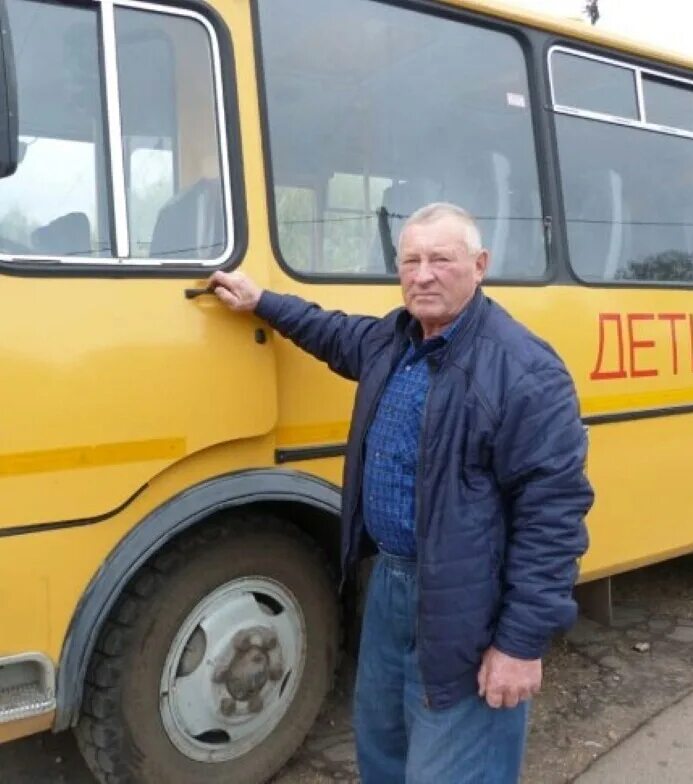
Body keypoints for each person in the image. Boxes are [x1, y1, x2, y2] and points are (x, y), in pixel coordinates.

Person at [209, 202, 593, 783]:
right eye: (410, 260)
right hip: (389, 586)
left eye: (441, 259)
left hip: (467, 598)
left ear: (480, 265)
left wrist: (519, 643)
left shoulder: (524, 371)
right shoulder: (394, 341)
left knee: (453, 768)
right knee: (383, 753)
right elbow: (331, 331)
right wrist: (261, 302)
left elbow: (553, 518)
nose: (423, 275)